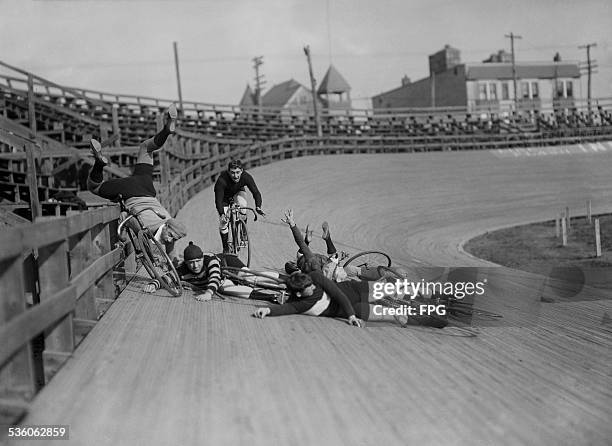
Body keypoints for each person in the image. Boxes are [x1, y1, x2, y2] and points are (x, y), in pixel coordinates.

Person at [87, 104, 186, 259]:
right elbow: (129, 219)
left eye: (174, 238)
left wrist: (175, 261)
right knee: (94, 187)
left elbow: (171, 251)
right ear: (167, 228)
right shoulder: (149, 228)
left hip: (145, 185)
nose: (170, 240)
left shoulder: (168, 222)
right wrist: (125, 234)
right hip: (129, 192)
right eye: (171, 237)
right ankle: (99, 164)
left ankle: (166, 131)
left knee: (146, 148)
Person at [253, 271, 449, 329]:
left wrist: (350, 316)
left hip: (354, 291)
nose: (313, 286)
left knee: (400, 289)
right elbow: (286, 309)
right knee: (397, 315)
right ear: (299, 293)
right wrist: (267, 310)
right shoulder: (301, 303)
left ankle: (440, 293)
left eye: (311, 283)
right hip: (357, 308)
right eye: (309, 288)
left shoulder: (315, 278)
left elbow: (338, 294)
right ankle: (431, 321)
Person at [146, 241, 284, 303]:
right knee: (225, 288)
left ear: (202, 258)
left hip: (228, 265)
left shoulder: (210, 259)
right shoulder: (182, 269)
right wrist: (153, 284)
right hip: (223, 280)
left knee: (251, 278)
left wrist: (209, 293)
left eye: (198, 261)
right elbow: (167, 278)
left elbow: (215, 277)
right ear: (186, 263)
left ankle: (286, 279)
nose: (195, 265)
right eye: (191, 263)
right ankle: (271, 298)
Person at [214, 159, 265, 253]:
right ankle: (225, 247)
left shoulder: (246, 177)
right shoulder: (221, 180)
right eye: (232, 173)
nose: (235, 176)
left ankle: (243, 232)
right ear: (228, 172)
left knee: (243, 206)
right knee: (223, 223)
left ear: (242, 171)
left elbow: (256, 193)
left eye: (238, 172)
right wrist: (222, 214)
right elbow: (218, 201)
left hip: (238, 192)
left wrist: (258, 206)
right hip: (224, 198)